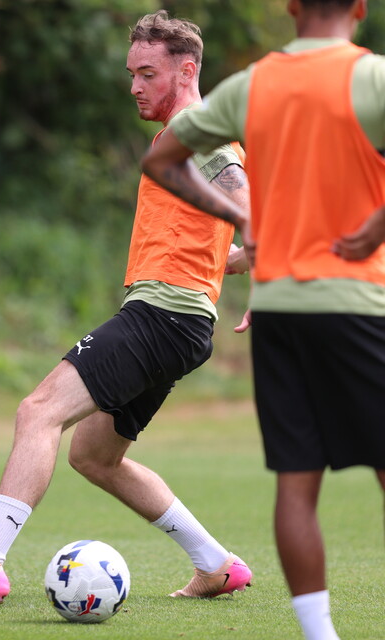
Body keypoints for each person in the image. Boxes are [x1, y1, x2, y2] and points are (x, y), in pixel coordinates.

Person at [0, 10, 253, 608]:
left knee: (37, 411)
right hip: (184, 318)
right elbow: (232, 244)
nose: (134, 86)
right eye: (131, 73)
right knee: (93, 455)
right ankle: (215, 563)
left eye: (147, 73)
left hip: (161, 317)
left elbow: (241, 193)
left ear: (186, 69)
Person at [141, 2, 385, 638]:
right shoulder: (375, 78)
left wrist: (241, 222)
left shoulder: (253, 84)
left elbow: (162, 161)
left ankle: (318, 633)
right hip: (358, 299)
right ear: (360, 9)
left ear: (292, 9)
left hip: (280, 305)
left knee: (296, 484)